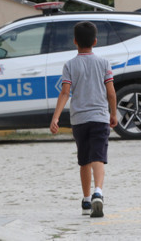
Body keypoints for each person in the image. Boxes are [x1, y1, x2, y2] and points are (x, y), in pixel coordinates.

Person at [50, 21, 117, 218]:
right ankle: (98, 192)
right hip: (99, 117)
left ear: (75, 41)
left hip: (79, 120)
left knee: (84, 160)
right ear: (95, 41)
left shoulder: (70, 65)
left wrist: (56, 117)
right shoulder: (104, 63)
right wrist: (113, 113)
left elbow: (65, 92)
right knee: (98, 157)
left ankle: (86, 200)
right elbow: (111, 92)